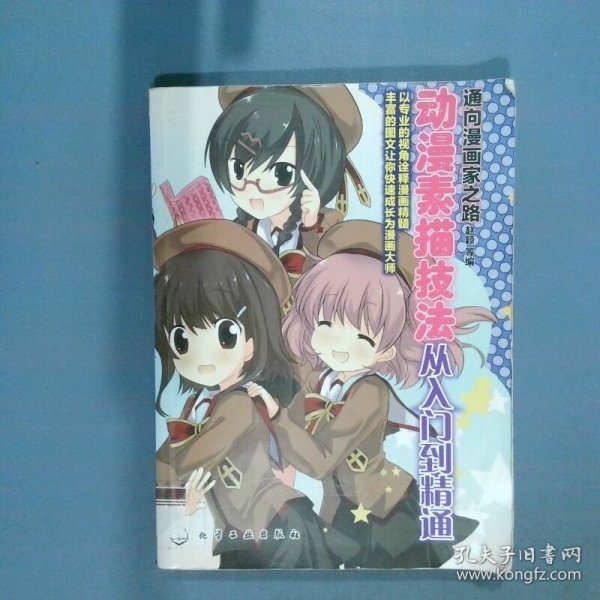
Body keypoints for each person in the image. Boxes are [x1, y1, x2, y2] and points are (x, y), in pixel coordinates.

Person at [257, 221, 495, 568]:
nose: (339, 346)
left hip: (385, 512)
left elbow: (320, 460)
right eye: (325, 325)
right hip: (342, 508)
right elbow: (285, 436)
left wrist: (278, 418)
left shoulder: (370, 392)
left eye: (363, 338)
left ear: (388, 350)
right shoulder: (320, 382)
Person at [154, 219, 357, 569]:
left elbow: (184, 462)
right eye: (182, 340)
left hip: (280, 527)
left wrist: (170, 473)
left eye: (225, 335)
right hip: (239, 536)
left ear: (251, 340)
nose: (203, 358)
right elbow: (168, 465)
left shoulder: (239, 402)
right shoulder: (195, 405)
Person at [205, 85, 370, 278]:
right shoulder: (241, 228)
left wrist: (310, 227)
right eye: (238, 169)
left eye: (281, 173)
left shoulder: (327, 229)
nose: (252, 189)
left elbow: (329, 281)